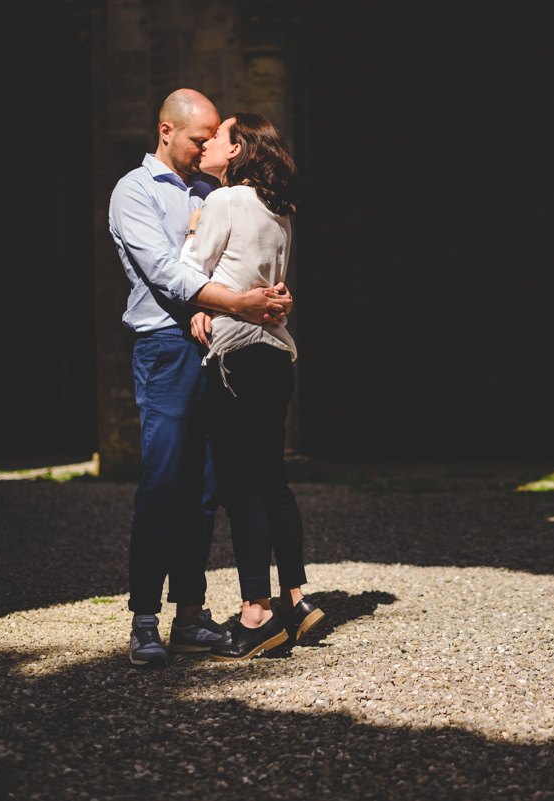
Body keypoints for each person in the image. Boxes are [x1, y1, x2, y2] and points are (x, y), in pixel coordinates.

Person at [109, 89, 293, 666]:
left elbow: (234, 257)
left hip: (216, 350)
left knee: (207, 489)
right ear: (166, 131)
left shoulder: (212, 191)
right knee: (163, 482)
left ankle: (190, 614)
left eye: (214, 138)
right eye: (198, 139)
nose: (206, 149)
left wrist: (269, 299)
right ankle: (144, 618)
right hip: (164, 347)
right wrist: (240, 301)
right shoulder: (132, 191)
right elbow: (166, 271)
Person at [181, 111, 323, 661]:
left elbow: (190, 273)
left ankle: (255, 612)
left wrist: (194, 231)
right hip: (277, 356)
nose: (211, 143)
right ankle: (297, 599)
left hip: (236, 355)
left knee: (241, 487)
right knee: (273, 480)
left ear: (238, 150)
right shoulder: (279, 209)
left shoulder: (224, 201)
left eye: (219, 137)